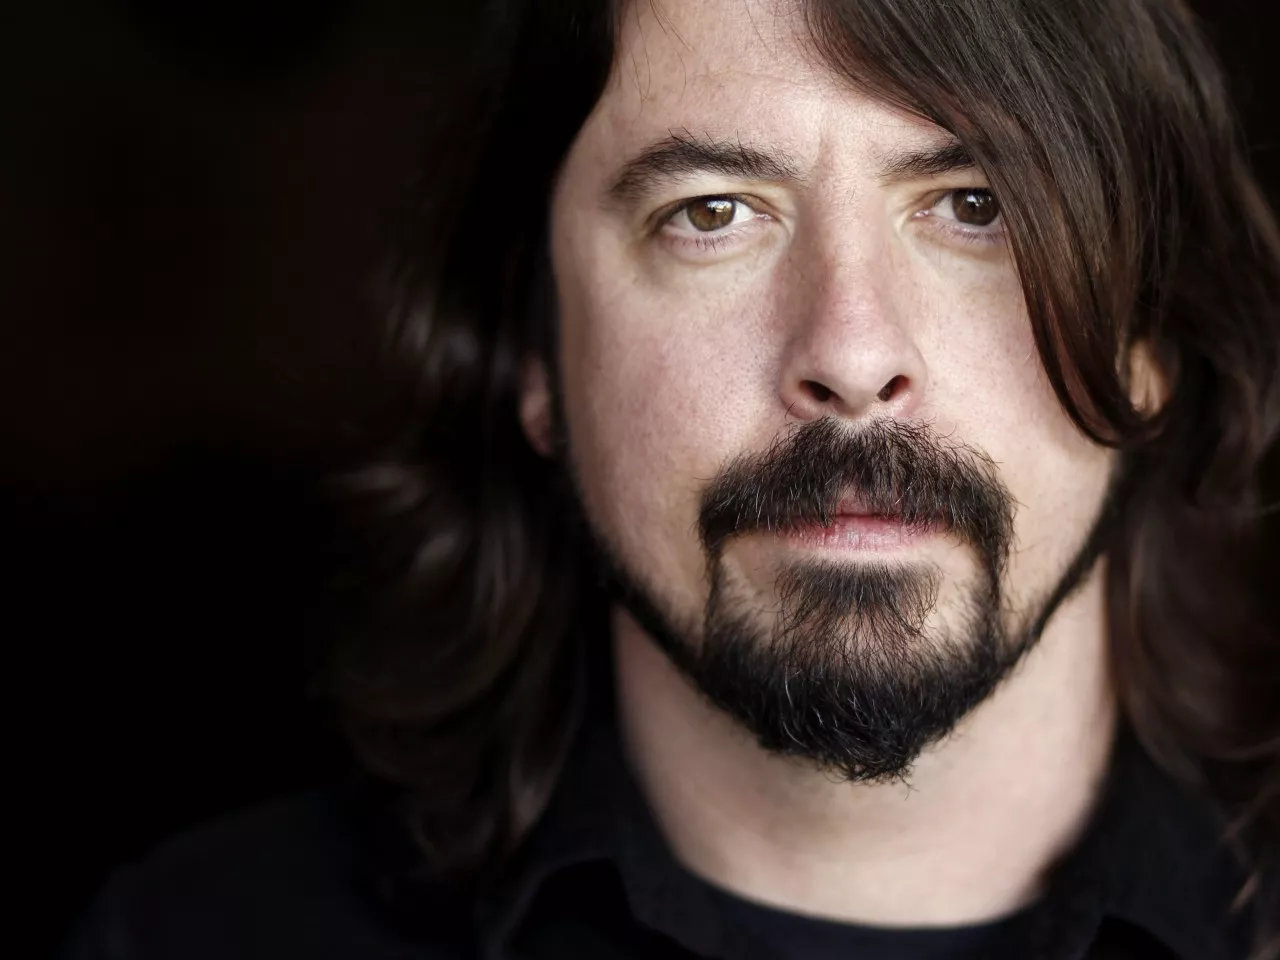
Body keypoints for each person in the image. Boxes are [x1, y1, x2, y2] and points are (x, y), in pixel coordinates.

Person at [60, 0, 1280, 957]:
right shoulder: (190, 937)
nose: (852, 355)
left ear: (1149, 341)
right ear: (535, 348)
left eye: (975, 207)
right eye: (710, 215)